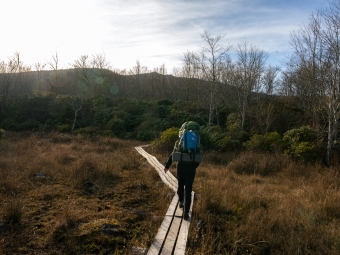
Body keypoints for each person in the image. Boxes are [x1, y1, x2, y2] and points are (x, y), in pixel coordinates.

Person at [164, 152, 199, 220]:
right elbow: (198, 158)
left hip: (181, 168)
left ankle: (181, 201)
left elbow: (173, 154)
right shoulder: (196, 145)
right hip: (191, 170)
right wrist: (194, 166)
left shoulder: (179, 143)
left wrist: (167, 166)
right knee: (188, 189)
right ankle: (186, 211)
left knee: (181, 185)